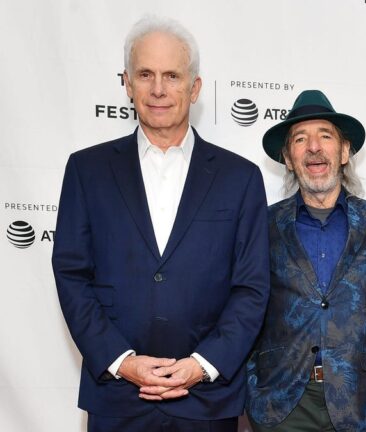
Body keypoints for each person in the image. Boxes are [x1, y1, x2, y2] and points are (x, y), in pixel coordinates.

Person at [52, 16, 270, 431]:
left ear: (195, 87)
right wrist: (122, 362)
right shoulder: (86, 170)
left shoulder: (240, 178)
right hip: (116, 396)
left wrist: (203, 365)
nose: (158, 89)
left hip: (207, 400)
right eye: (145, 74)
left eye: (172, 75)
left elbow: (252, 287)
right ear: (127, 83)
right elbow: (71, 274)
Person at [245, 90, 366, 432]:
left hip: (361, 405)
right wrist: (254, 389)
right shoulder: (263, 225)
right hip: (281, 407)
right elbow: (246, 310)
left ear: (345, 151)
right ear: (288, 158)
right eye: (300, 139)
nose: (314, 147)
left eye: (325, 136)